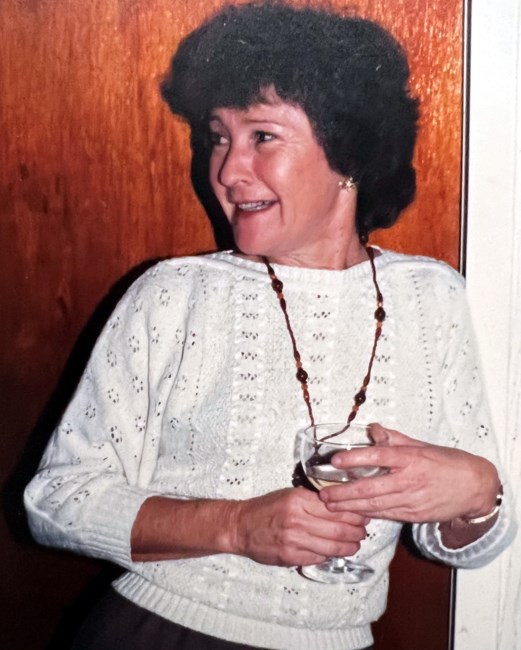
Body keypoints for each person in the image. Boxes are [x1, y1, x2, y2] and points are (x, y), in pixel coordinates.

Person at [24, 2, 516, 649]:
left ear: (348, 153)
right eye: (217, 137)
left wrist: (477, 494)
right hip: (160, 633)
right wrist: (236, 527)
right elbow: (55, 501)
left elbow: (464, 542)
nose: (227, 170)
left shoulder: (432, 298)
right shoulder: (173, 294)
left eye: (261, 136)